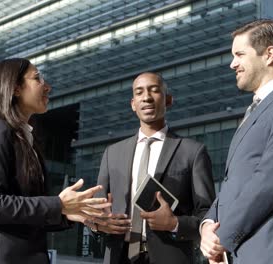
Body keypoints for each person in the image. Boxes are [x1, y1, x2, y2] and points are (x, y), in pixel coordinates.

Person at [0, 58, 110, 264]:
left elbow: (23, 213)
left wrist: (70, 212)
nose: (47, 86)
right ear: (15, 88)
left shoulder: (25, 138)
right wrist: (58, 204)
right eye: (37, 78)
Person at [200, 19, 273, 264]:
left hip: (272, 249)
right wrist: (208, 224)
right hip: (239, 251)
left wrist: (221, 236)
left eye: (240, 54)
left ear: (269, 54)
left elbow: (268, 181)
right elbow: (235, 182)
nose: (233, 63)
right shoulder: (253, 111)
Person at [91, 72, 216, 264]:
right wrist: (98, 224)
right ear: (133, 104)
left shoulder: (193, 151)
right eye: (139, 92)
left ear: (168, 100)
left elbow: (207, 214)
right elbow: (96, 210)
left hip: (171, 257)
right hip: (119, 256)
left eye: (154, 91)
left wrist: (175, 223)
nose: (147, 97)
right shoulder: (112, 153)